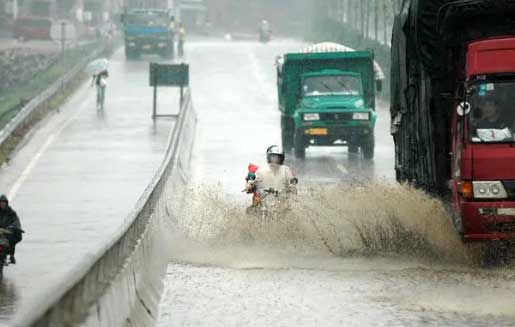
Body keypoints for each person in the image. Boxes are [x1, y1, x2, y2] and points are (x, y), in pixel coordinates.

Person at [0, 195, 22, 264]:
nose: (2, 203)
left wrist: (12, 228)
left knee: (15, 237)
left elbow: (16, 221)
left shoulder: (11, 212)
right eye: (1, 202)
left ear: (6, 203)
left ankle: (11, 255)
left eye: (4, 202)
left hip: (7, 232)